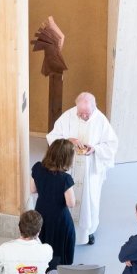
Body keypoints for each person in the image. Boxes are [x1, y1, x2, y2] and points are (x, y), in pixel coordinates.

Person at [46, 93, 119, 245]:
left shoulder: (100, 120)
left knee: (90, 200)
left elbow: (111, 144)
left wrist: (96, 149)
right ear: (76, 107)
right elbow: (53, 136)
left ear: (94, 107)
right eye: (81, 113)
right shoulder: (68, 116)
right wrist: (67, 140)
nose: (84, 116)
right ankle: (65, 228)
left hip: (89, 169)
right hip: (69, 167)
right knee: (66, 199)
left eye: (87, 113)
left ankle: (88, 231)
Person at [30, 139, 77, 269]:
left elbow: (32, 190)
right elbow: (71, 203)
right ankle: (60, 266)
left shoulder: (37, 167)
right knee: (60, 240)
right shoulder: (65, 179)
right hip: (59, 217)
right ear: (67, 159)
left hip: (41, 211)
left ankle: (43, 265)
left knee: (43, 237)